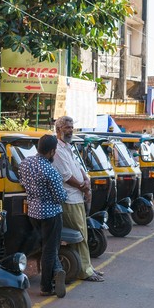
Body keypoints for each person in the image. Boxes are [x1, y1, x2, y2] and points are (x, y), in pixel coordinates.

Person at [52, 116, 104, 283]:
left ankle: (87, 266)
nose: (70, 130)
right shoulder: (57, 150)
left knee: (84, 233)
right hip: (69, 198)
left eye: (71, 127)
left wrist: (86, 181)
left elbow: (79, 168)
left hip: (77, 196)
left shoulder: (67, 147)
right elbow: (66, 176)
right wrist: (84, 187)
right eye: (67, 127)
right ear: (58, 129)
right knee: (79, 235)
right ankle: (85, 271)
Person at [19, 134, 67, 298]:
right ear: (52, 151)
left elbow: (22, 182)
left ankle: (58, 270)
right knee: (50, 249)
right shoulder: (50, 171)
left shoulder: (25, 163)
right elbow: (60, 197)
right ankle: (46, 286)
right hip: (51, 214)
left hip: (33, 212)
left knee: (46, 246)